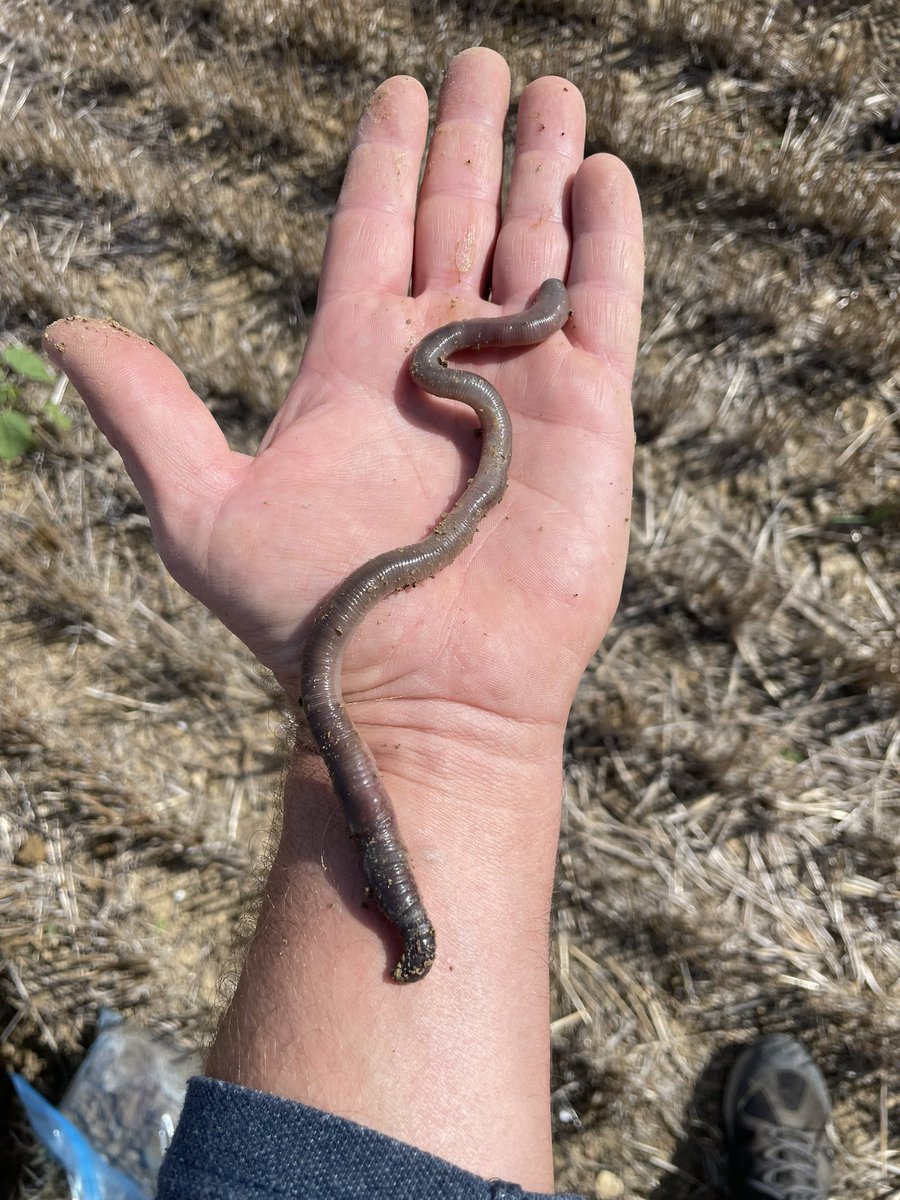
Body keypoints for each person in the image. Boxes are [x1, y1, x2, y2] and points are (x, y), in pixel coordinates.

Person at [43, 47, 832, 1200]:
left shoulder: (472, 378)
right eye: (544, 321)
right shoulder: (459, 383)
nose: (549, 324)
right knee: (339, 697)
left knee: (338, 694)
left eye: (548, 319)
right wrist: (448, 736)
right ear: (512, 338)